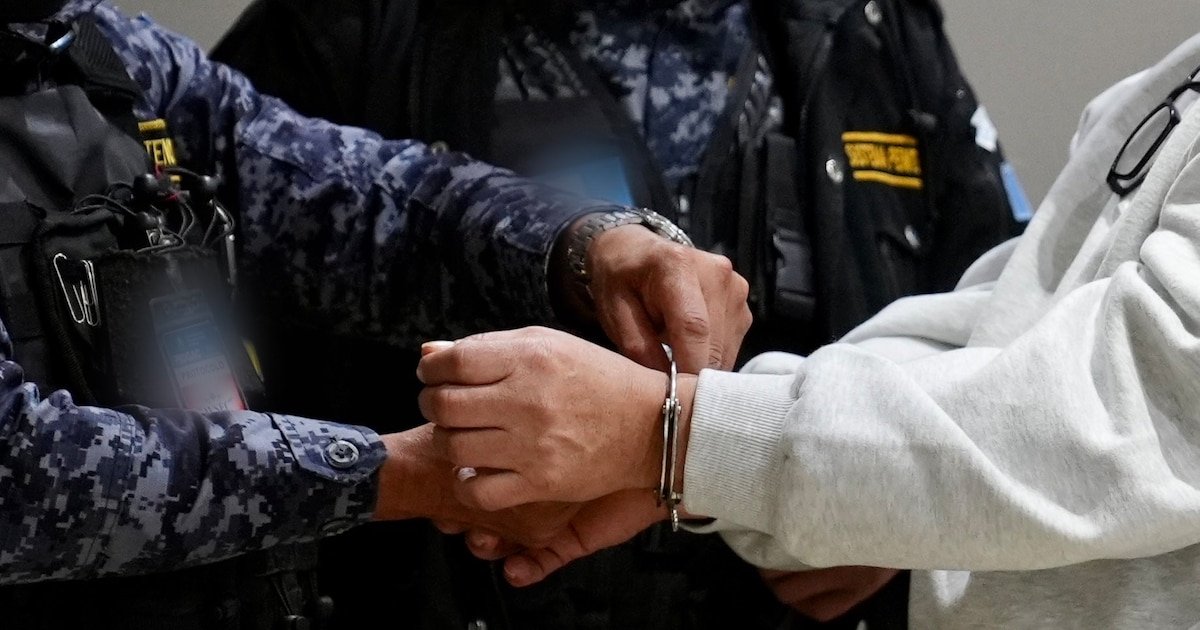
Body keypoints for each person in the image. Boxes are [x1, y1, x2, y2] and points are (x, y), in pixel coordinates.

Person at [211, 0, 1028, 627]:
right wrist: (401, 478)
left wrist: (898, 506)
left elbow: (1001, 344)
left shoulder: (871, 28)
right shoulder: (344, 31)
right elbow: (200, 405)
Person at [0, 1, 748, 628]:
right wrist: (412, 475)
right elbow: (16, 475)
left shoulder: (80, 45)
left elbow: (331, 193)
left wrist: (586, 247)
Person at [421, 32, 1200, 627]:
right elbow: (996, 329)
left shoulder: (869, 29)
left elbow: (1140, 409)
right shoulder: (1174, 79)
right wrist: (824, 488)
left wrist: (675, 437)